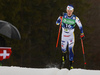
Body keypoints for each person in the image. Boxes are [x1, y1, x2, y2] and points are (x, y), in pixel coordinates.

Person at [56, 4, 85, 69]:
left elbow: (80, 26)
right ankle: (64, 56)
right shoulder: (63, 16)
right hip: (63, 36)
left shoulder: (75, 18)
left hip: (70, 36)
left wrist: (82, 33)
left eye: (70, 11)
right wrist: (59, 17)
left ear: (73, 11)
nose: (69, 12)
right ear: (66, 10)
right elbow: (57, 23)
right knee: (63, 49)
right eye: (68, 11)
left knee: (70, 49)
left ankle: (71, 64)